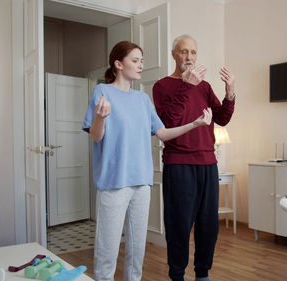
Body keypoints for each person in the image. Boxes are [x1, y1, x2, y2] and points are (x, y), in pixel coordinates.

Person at [82, 40, 212, 281]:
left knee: (136, 253)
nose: (140, 65)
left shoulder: (142, 99)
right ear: (118, 64)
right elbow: (96, 136)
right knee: (107, 253)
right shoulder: (103, 92)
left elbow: (162, 133)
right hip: (113, 184)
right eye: (135, 61)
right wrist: (100, 118)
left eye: (142, 61)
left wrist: (195, 124)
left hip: (142, 183)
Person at [152, 34, 236, 281]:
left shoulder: (205, 87)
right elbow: (168, 123)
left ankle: (202, 274)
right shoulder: (162, 86)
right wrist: (186, 86)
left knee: (209, 225)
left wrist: (230, 91)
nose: (189, 57)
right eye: (184, 51)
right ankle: (177, 275)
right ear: (174, 54)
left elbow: (221, 118)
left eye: (193, 52)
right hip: (179, 165)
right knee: (179, 225)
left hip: (208, 164)